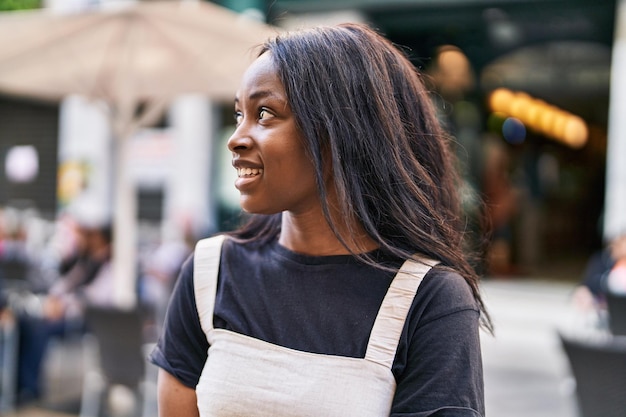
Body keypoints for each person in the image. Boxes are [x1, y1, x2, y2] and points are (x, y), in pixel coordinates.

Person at [150, 23, 491, 417]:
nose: (236, 137)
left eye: (264, 113)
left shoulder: (430, 300)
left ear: (341, 131)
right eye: (239, 114)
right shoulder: (210, 273)